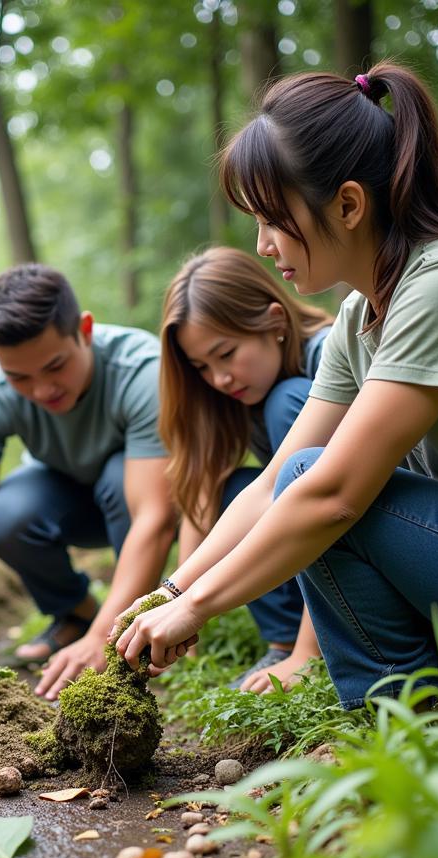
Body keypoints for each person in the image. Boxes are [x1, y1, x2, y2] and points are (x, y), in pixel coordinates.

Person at [114, 63, 438, 710]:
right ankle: (414, 710)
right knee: (300, 477)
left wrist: (197, 607)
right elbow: (273, 479)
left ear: (346, 204)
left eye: (272, 221)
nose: (261, 245)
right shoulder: (359, 314)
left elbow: (334, 495)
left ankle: (401, 719)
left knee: (320, 485)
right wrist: (173, 593)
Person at [0, 263, 178, 701]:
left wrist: (106, 639)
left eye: (55, 366)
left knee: (120, 478)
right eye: (19, 377)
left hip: (135, 497)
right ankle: (76, 615)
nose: (42, 390)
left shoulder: (139, 369)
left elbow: (154, 517)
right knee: (5, 514)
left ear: (84, 330)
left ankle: (138, 631)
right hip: (63, 495)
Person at [160, 247, 333, 691]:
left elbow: (337, 501)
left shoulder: (329, 356)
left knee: (288, 401)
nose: (219, 378)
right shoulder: (230, 394)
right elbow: (202, 500)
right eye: (201, 366)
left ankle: (319, 647)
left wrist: (308, 657)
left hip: (364, 531)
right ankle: (281, 639)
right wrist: (172, 606)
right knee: (230, 488)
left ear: (275, 323)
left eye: (227, 353)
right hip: (310, 543)